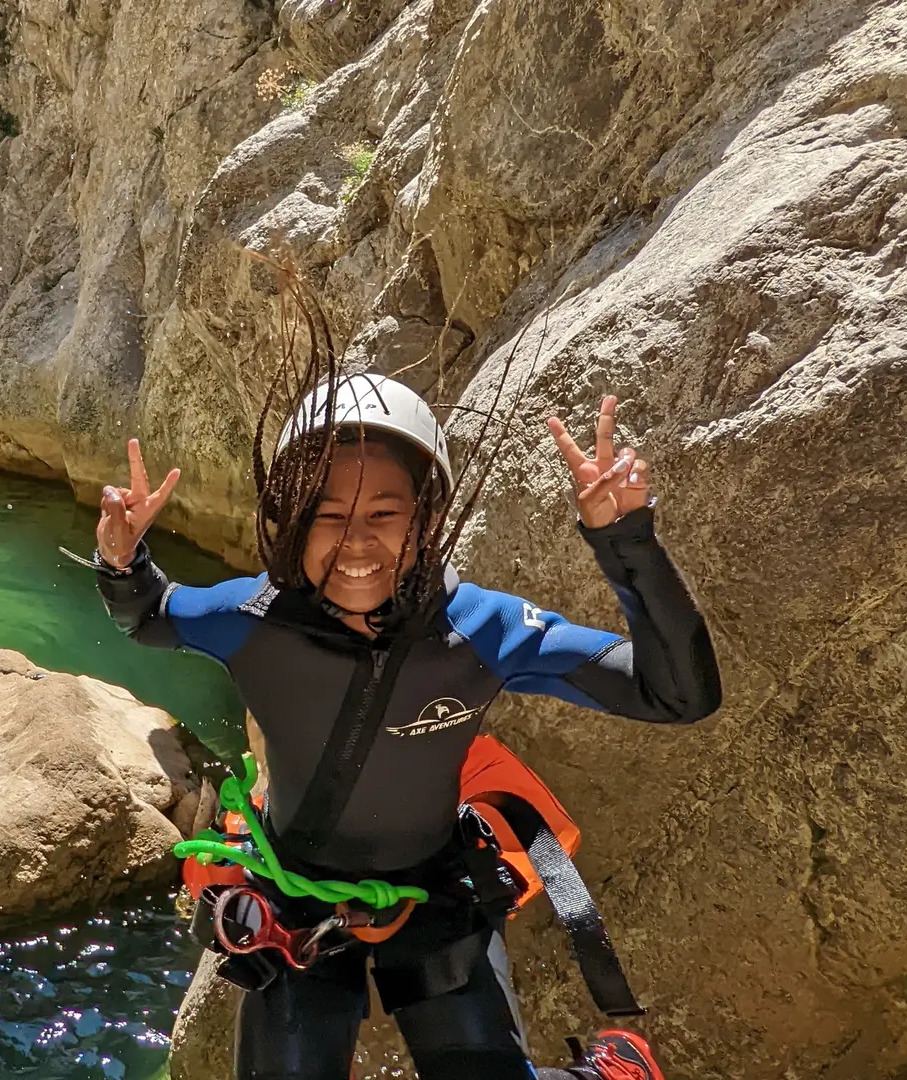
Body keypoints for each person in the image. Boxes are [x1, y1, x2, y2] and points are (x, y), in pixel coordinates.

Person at [90, 358, 720, 1076]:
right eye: (326, 516)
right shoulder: (251, 619)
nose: (357, 542)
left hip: (434, 895)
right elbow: (148, 616)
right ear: (292, 522)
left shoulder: (481, 627)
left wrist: (627, 540)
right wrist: (124, 561)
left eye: (384, 514)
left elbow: (677, 694)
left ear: (427, 518)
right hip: (294, 902)